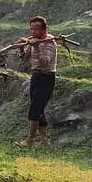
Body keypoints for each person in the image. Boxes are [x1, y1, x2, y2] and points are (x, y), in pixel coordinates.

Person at [19, 15, 56, 148]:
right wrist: (21, 48)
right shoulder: (34, 41)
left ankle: (29, 141)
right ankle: (45, 141)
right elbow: (24, 58)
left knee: (35, 110)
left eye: (36, 29)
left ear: (44, 29)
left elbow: (46, 61)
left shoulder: (49, 43)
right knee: (38, 110)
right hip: (36, 77)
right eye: (31, 29)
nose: (33, 32)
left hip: (47, 78)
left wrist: (38, 47)